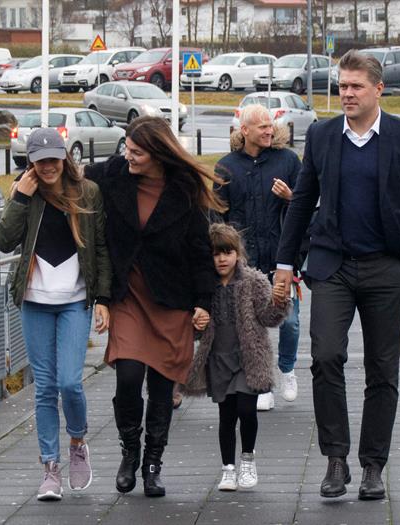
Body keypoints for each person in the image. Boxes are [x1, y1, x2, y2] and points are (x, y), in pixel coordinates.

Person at [272, 50, 400, 501]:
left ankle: (372, 466)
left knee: (383, 369)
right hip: (333, 267)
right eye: (342, 85)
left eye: (355, 86)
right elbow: (303, 202)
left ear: (378, 89)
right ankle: (335, 459)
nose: (346, 93)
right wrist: (284, 266)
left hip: (388, 267)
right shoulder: (323, 135)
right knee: (325, 357)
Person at [84, 116, 225, 497]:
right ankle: (130, 452)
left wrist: (203, 302)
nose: (128, 156)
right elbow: (71, 179)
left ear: (157, 153)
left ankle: (152, 465)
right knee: (128, 378)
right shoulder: (113, 174)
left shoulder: (185, 190)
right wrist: (30, 178)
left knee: (162, 390)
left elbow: (200, 251)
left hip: (171, 301)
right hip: (128, 296)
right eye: (126, 148)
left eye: (136, 152)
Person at [0, 127, 112, 501]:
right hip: (35, 301)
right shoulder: (25, 194)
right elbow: (2, 241)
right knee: (44, 388)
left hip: (75, 300)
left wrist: (105, 298)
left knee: (70, 383)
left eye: (53, 159)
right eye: (39, 160)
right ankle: (50, 468)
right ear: (29, 162)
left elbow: (102, 248)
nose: (47, 166)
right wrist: (20, 200)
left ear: (65, 158)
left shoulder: (87, 192)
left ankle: (78, 441)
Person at [184, 224, 290, 491]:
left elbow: (268, 318)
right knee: (226, 415)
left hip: (248, 358)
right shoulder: (203, 283)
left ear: (238, 253)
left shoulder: (253, 281)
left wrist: (278, 302)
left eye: (227, 252)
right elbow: (194, 326)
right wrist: (197, 322)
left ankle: (247, 460)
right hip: (218, 359)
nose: (221, 259)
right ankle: (227, 468)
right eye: (216, 254)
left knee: (246, 409)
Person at [215, 104, 302, 411]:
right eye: (262, 126)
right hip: (246, 261)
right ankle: (262, 384)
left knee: (289, 321)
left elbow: (308, 205)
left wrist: (290, 198)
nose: (269, 131)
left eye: (271, 125)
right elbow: (217, 216)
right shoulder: (226, 167)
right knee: (252, 326)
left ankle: (288, 368)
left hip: (282, 257)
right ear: (245, 131)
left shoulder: (288, 161)